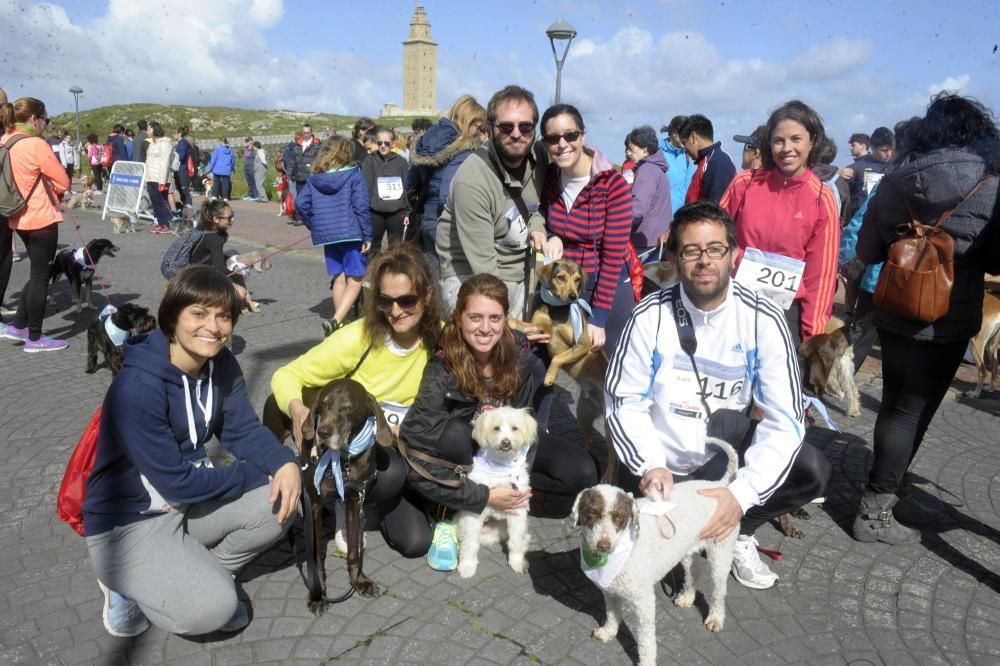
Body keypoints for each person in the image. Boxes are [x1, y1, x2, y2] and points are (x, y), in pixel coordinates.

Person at [606, 200, 831, 589]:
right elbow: (624, 402)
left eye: (715, 249)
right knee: (635, 564)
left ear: (734, 254)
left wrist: (741, 496)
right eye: (691, 251)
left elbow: (785, 420)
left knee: (814, 469)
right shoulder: (647, 316)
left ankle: (739, 530)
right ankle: (677, 530)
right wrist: (650, 465)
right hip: (660, 465)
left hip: (719, 460)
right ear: (675, 259)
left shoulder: (764, 317)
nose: (704, 261)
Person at [82, 265, 300, 637]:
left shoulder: (220, 363)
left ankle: (198, 572)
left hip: (184, 508)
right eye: (198, 313)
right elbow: (179, 483)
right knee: (214, 610)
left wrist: (284, 462)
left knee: (282, 502)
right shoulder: (137, 387)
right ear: (172, 317)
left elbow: (242, 428)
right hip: (128, 524)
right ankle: (124, 585)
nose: (212, 327)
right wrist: (259, 472)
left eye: (224, 316)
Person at [852, 93, 1000, 544]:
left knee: (897, 406)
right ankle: (874, 509)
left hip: (896, 310)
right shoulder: (991, 185)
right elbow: (994, 260)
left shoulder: (896, 181)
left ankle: (886, 491)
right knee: (914, 411)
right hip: (950, 318)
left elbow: (868, 251)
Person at [400, 274, 599, 568]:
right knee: (457, 432)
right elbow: (415, 456)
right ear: (458, 317)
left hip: (507, 448)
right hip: (461, 454)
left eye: (495, 317)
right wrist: (482, 495)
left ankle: (508, 505)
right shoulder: (440, 372)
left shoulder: (519, 353)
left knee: (582, 472)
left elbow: (523, 423)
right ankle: (449, 507)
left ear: (506, 318)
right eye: (475, 317)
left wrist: (516, 484)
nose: (485, 328)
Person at [271, 245, 443, 557]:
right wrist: (297, 409)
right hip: (357, 447)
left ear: (427, 296)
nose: (395, 311)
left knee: (416, 542)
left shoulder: (440, 340)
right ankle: (343, 502)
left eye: (407, 300)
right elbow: (285, 375)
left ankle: (377, 501)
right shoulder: (358, 338)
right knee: (388, 474)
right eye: (385, 300)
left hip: (402, 449)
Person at [721, 99, 840, 346]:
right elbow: (713, 237)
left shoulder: (822, 198)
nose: (787, 148)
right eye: (778, 140)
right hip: (733, 303)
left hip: (785, 315)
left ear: (812, 142)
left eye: (796, 139)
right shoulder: (744, 184)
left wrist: (813, 337)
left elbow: (821, 275)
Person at [435, 85, 548, 318]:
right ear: (490, 127)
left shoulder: (541, 158)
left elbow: (535, 208)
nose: (516, 134)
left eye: (525, 126)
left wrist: (537, 226)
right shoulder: (472, 179)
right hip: (470, 275)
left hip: (520, 273)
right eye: (506, 127)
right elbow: (485, 268)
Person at [538, 104, 635, 355]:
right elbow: (548, 221)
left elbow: (613, 257)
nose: (562, 144)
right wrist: (553, 235)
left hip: (608, 288)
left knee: (605, 370)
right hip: (567, 287)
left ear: (583, 136)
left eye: (570, 135)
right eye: (552, 138)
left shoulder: (613, 185)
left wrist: (599, 317)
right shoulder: (550, 176)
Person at [0, 96, 71, 351]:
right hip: (41, 216)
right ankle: (34, 337)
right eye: (45, 119)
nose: (45, 124)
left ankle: (18, 324)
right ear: (34, 118)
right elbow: (63, 181)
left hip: (16, 215)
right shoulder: (35, 144)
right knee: (42, 275)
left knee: (38, 272)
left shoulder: (5, 140)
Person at [295, 136, 372, 335]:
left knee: (339, 278)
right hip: (351, 233)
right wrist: (368, 235)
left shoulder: (315, 178)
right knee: (355, 279)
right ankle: (337, 320)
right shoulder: (354, 174)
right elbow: (361, 207)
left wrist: (315, 225)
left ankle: (340, 321)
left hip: (329, 235)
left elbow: (300, 204)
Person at [408, 95, 486, 277]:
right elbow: (448, 193)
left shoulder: (425, 139)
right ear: (470, 120)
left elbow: (410, 183)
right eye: (479, 126)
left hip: (425, 217)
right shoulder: (462, 148)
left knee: (431, 277)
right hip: (444, 221)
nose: (478, 132)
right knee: (453, 278)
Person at [189, 199, 259, 312]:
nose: (233, 219)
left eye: (233, 215)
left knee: (232, 253)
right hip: (197, 277)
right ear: (216, 219)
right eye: (229, 217)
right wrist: (238, 275)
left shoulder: (203, 228)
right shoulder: (214, 238)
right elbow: (219, 269)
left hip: (193, 269)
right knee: (241, 293)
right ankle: (212, 299)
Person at [624, 124, 673, 258]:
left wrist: (617, 225)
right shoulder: (656, 169)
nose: (628, 153)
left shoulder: (647, 170)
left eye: (631, 149)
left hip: (646, 239)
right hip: (656, 236)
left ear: (645, 149)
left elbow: (638, 208)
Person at [362, 126, 411, 255]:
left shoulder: (401, 162)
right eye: (379, 143)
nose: (383, 146)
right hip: (375, 212)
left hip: (396, 212)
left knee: (396, 249)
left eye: (386, 143)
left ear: (393, 144)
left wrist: (407, 212)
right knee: (373, 248)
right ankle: (373, 273)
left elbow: (406, 187)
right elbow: (366, 187)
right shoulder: (369, 161)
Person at [679, 114, 736, 205]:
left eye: (684, 142)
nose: (683, 148)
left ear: (693, 137)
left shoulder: (718, 163)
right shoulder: (705, 161)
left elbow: (716, 210)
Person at [659, 116, 696, 214]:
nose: (687, 139)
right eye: (684, 135)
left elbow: (689, 190)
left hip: (681, 217)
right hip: (660, 217)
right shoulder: (658, 153)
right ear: (674, 133)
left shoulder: (688, 156)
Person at [144, 122, 175, 234]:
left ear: (155, 130)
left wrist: (162, 181)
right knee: (155, 202)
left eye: (149, 129)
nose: (147, 131)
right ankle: (160, 222)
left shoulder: (165, 144)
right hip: (150, 177)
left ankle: (166, 223)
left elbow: (165, 163)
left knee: (162, 201)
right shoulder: (152, 144)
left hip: (160, 177)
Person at [289, 124, 322, 196]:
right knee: (300, 201)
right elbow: (292, 161)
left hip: (311, 178)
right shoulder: (297, 145)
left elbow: (320, 161)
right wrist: (289, 174)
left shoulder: (317, 145)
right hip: (299, 178)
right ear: (302, 132)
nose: (306, 135)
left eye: (308, 133)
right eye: (304, 133)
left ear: (311, 132)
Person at [241, 137, 259, 201]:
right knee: (249, 182)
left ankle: (256, 195)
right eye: (245, 141)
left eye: (247, 141)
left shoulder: (253, 149)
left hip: (252, 167)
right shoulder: (246, 149)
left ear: (251, 142)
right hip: (246, 167)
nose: (245, 143)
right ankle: (251, 195)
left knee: (253, 182)